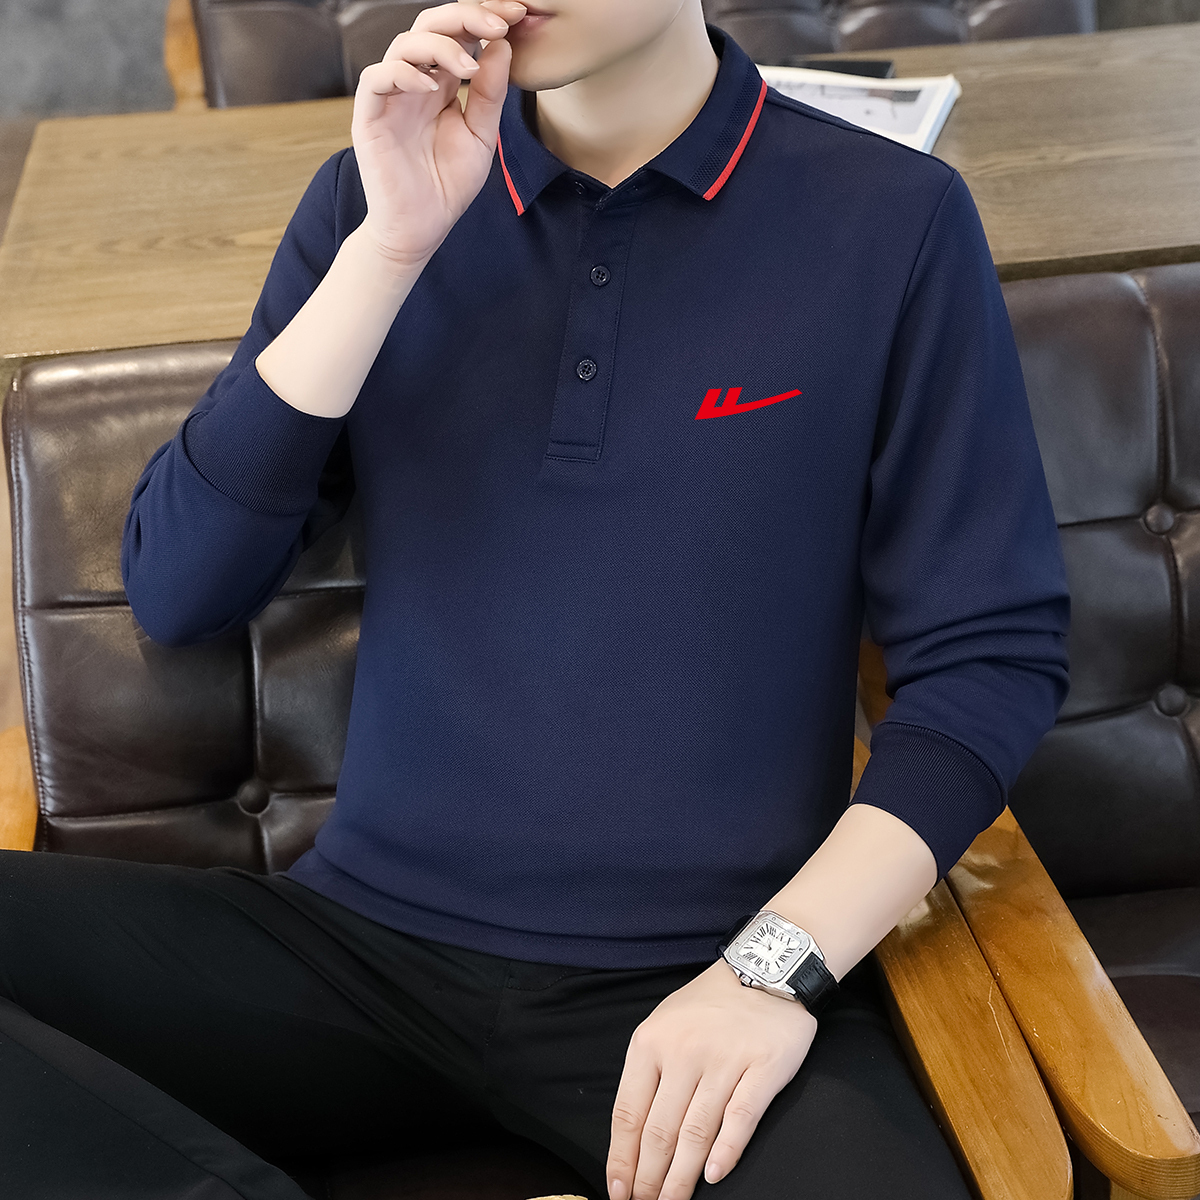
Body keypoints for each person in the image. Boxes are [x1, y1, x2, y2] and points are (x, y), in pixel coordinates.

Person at [0, 1, 1070, 1197]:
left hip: (701, 979)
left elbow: (989, 664)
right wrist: (389, 248)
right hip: (356, 954)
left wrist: (768, 973)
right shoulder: (373, 198)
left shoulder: (894, 220)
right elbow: (178, 586)